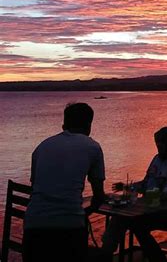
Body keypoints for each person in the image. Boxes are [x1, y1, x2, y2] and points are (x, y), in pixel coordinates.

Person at [23, 103, 106, 262]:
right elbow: (99, 197)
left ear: (64, 124)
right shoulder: (93, 147)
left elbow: (35, 188)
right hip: (70, 227)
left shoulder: (42, 146)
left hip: (34, 224)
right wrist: (85, 214)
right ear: (89, 125)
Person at [101, 127, 167, 262]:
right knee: (121, 217)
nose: (158, 146)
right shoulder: (156, 159)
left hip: (164, 211)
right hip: (147, 208)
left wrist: (150, 197)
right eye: (157, 144)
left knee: (130, 222)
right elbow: (145, 183)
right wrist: (126, 187)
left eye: (161, 143)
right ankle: (106, 252)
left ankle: (106, 254)